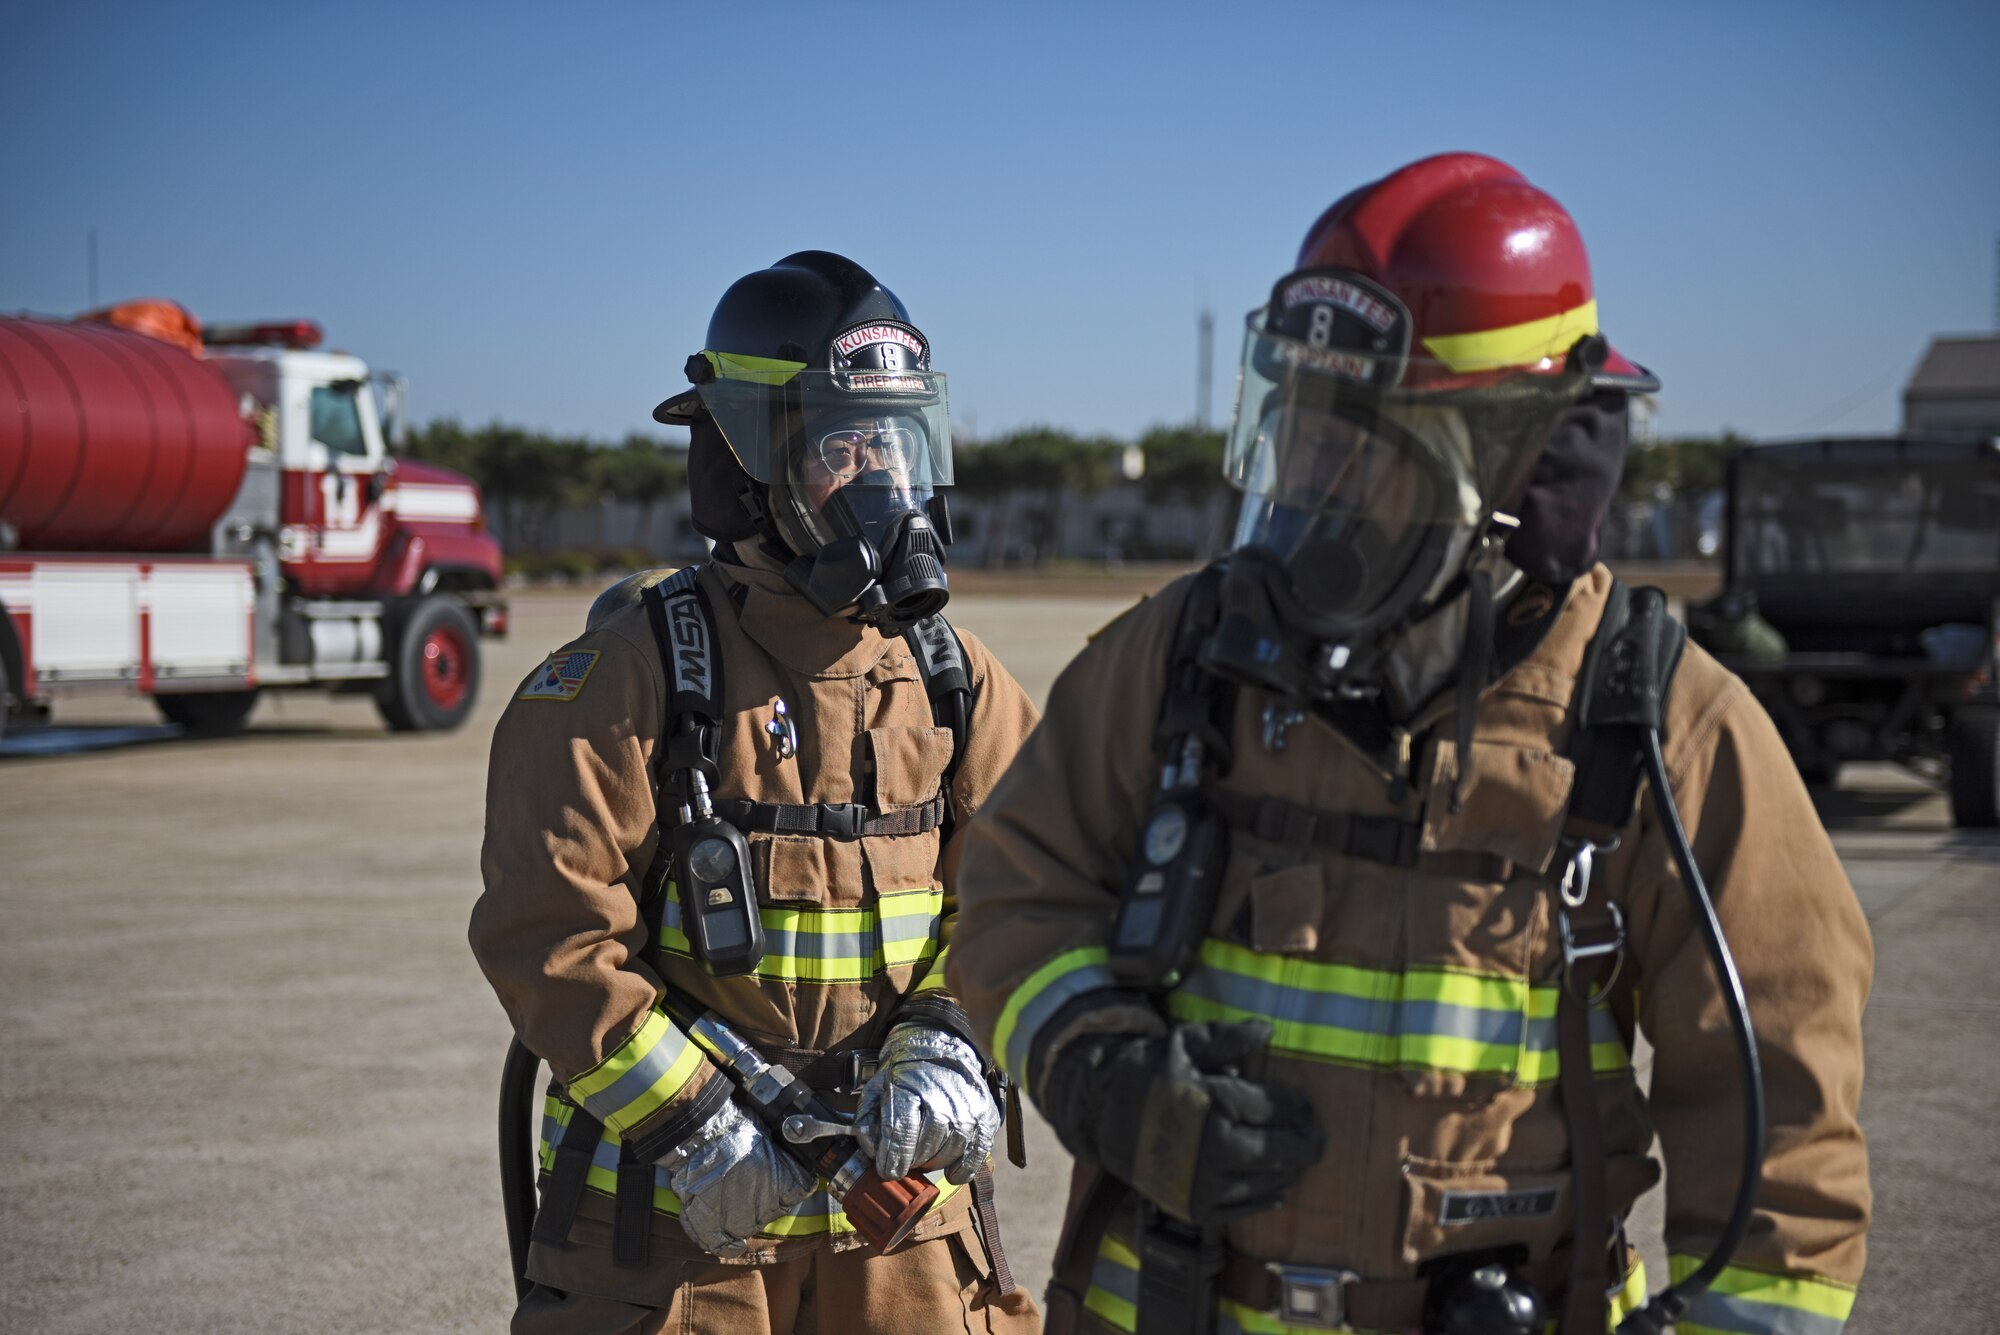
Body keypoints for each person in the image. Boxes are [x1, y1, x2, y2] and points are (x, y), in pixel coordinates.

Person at [949, 154, 1871, 1335]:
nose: (1313, 493)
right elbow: (1012, 887)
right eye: (1302, 437)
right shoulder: (1183, 656)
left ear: (1509, 458)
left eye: (1363, 448)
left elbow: (1781, 1154)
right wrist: (1101, 1070)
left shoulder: (1662, 726)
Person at [472, 251, 1043, 1335]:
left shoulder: (953, 681)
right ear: (745, 461)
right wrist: (693, 1123)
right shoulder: (627, 677)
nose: (882, 481)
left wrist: (953, 1035)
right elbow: (549, 934)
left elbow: (1036, 892)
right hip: (676, 1242)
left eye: (896, 442)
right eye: (843, 446)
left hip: (905, 1233)